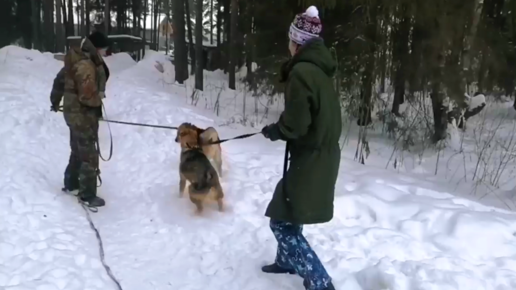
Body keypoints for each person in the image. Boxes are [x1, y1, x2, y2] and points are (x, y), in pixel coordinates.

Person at [260, 5, 341, 290]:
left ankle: (320, 282)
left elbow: (297, 123)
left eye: (290, 39)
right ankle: (285, 261)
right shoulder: (319, 70)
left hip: (313, 157)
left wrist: (277, 130)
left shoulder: (303, 72)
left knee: (281, 223)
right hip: (319, 154)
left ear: (297, 43)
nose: (288, 44)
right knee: (287, 208)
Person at [49, 31, 111, 208]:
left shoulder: (76, 58)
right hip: (82, 114)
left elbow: (59, 81)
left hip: (72, 112)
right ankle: (87, 195)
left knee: (77, 148)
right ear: (97, 47)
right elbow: (87, 96)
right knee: (89, 154)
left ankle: (71, 183)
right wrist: (98, 98)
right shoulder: (86, 65)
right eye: (104, 49)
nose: (106, 52)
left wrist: (55, 101)